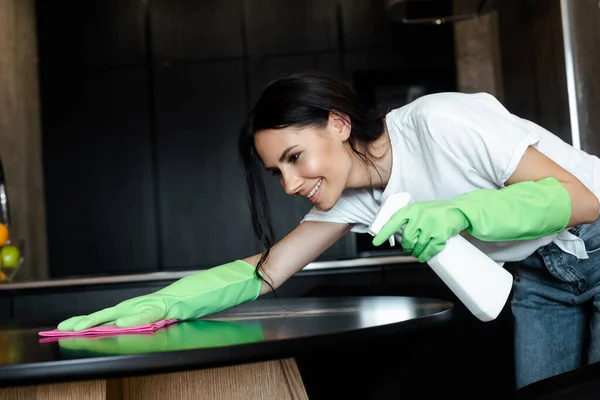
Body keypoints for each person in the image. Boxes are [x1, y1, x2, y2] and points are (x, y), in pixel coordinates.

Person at [56, 71, 600, 389]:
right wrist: (162, 304)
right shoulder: (354, 199)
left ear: (339, 124)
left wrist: (461, 212)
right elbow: (267, 272)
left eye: (295, 157)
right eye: (278, 172)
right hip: (538, 280)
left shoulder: (440, 121)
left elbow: (582, 200)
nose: (290, 184)